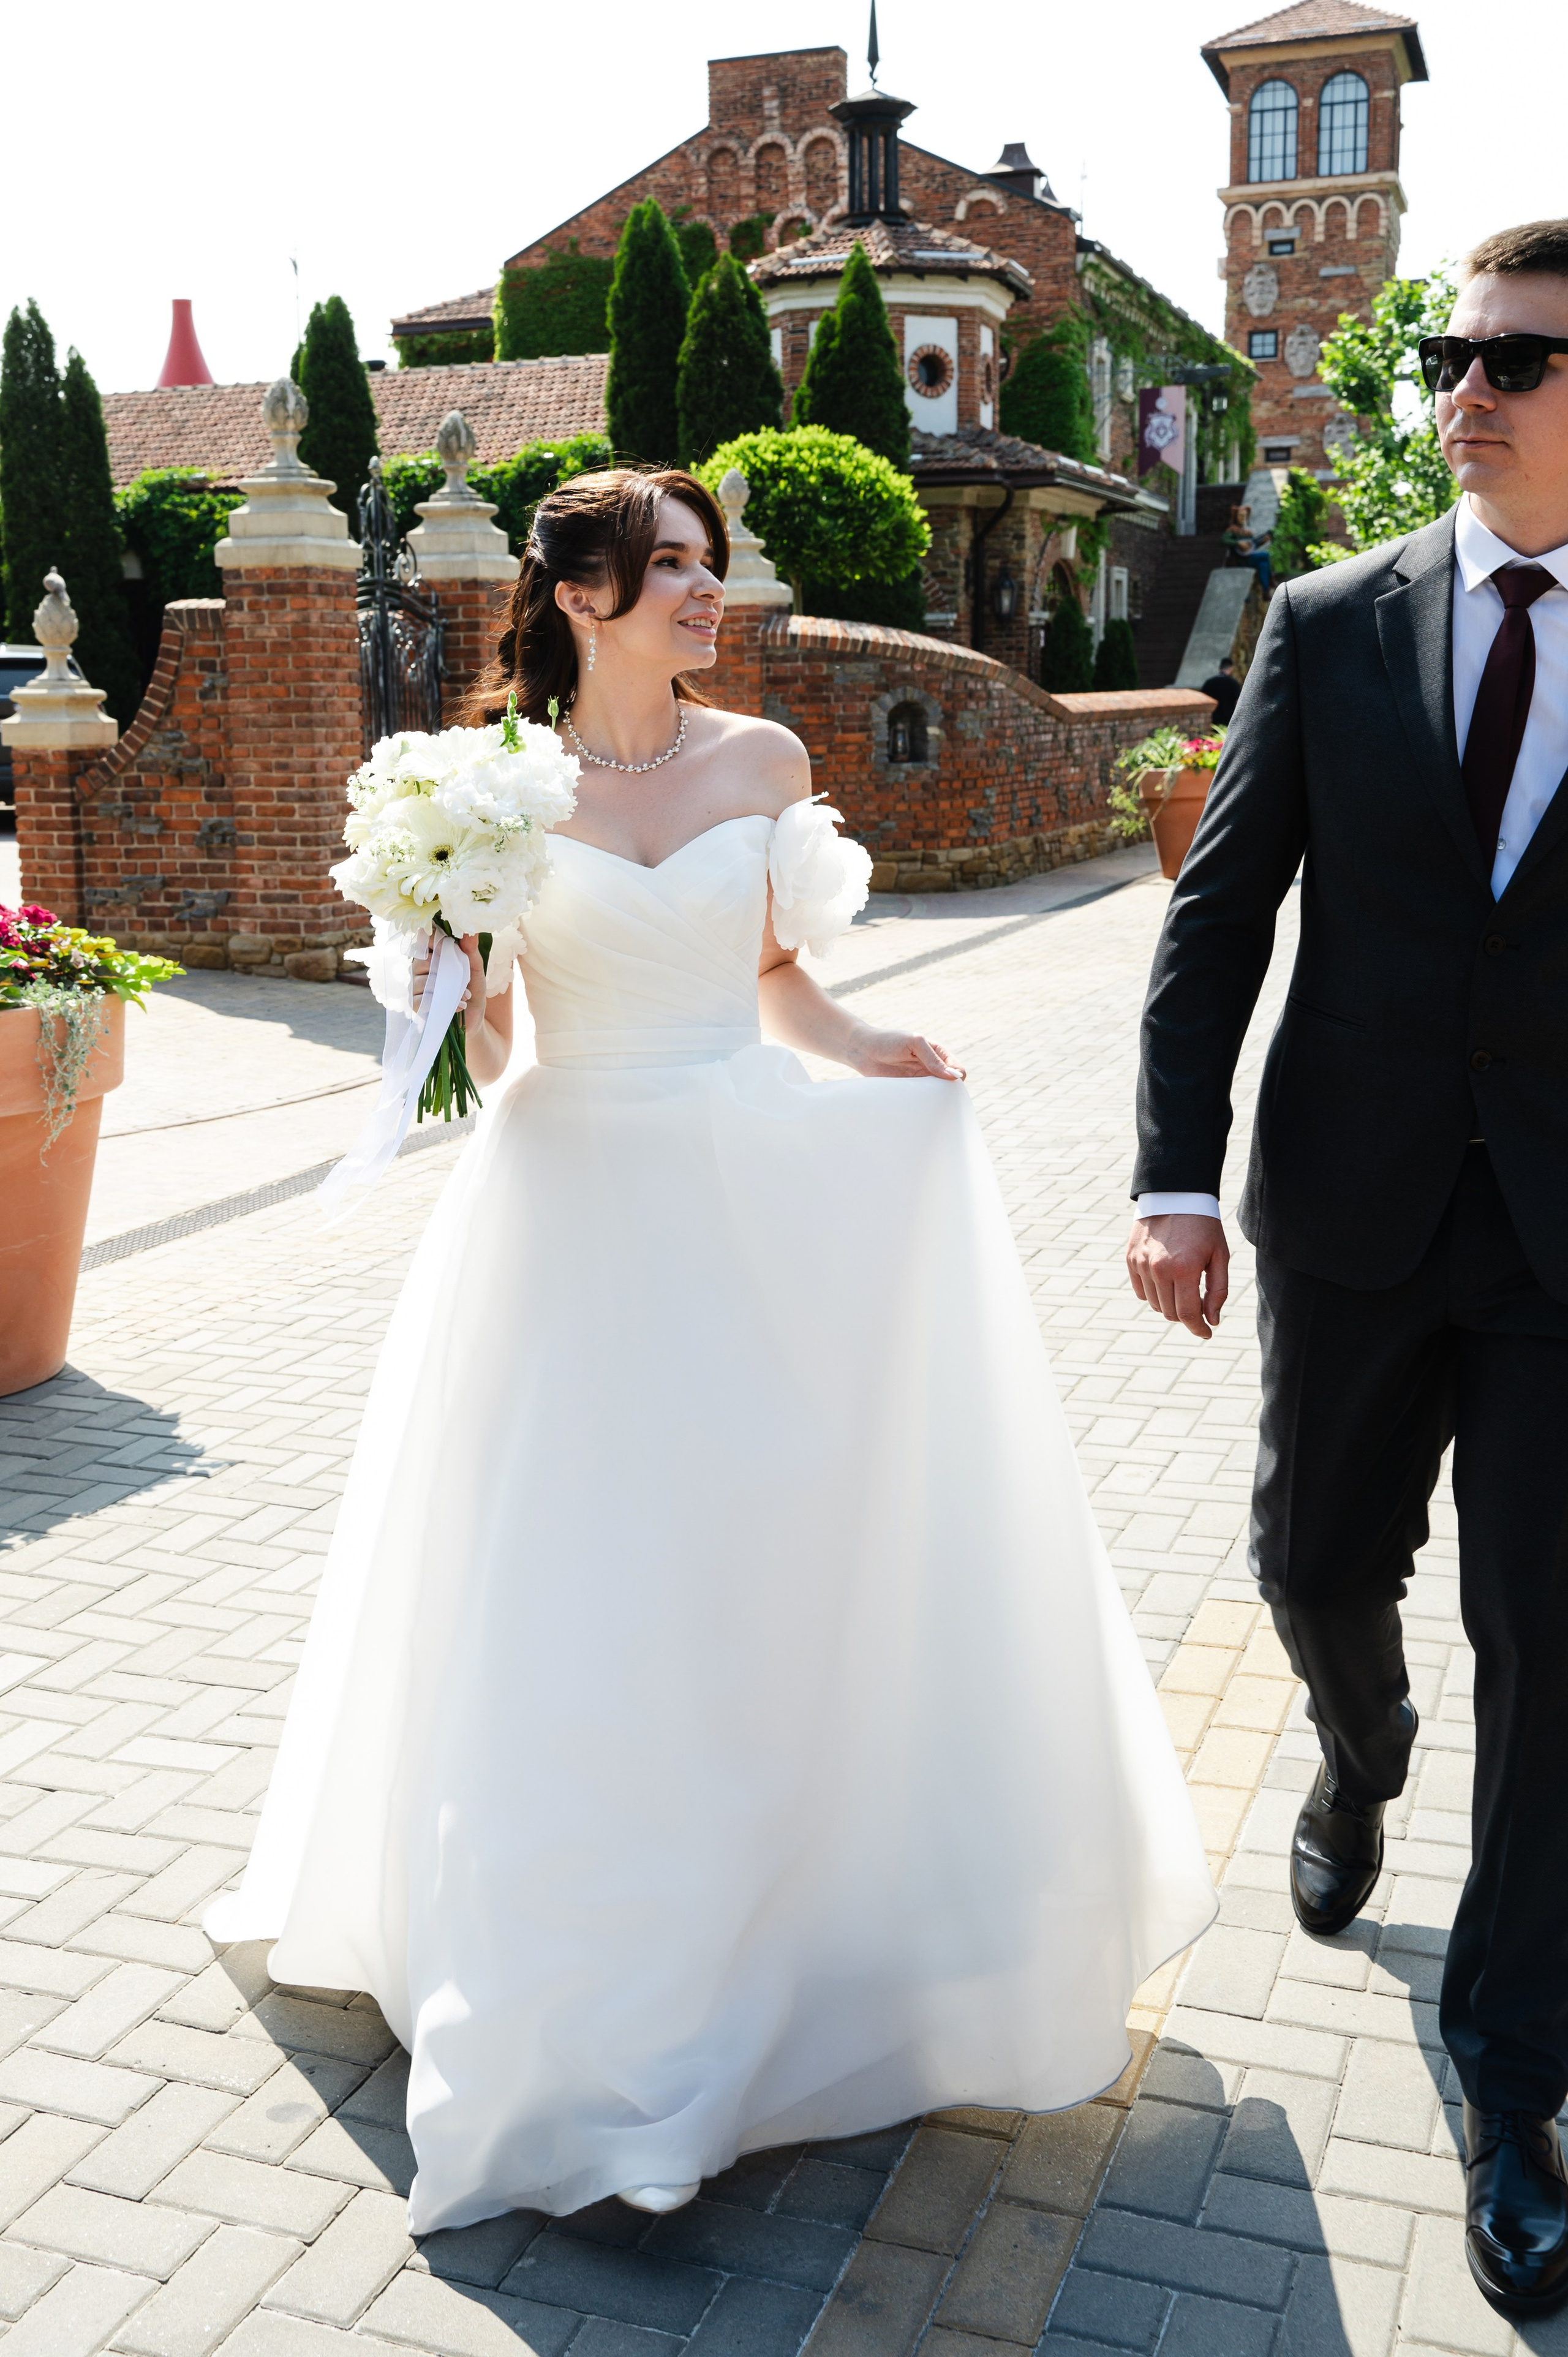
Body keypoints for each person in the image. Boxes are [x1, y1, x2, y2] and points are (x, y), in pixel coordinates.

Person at [208, 466, 1213, 2234]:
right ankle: (587, 1975)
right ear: (579, 595)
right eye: (668, 569)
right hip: (573, 1212)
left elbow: (774, 989)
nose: (704, 595)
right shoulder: (484, 784)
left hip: (750, 1197)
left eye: (708, 566)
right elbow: (500, 1058)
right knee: (581, 1593)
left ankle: (788, 1928)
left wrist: (875, 1045)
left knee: (761, 1577)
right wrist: (442, 949)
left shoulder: (764, 763)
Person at [1123, 219, 1568, 2317]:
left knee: (1557, 1658)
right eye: (1457, 356)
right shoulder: (1326, 617)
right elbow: (1218, 918)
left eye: (1517, 361)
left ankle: (1512, 2067)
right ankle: (1359, 1742)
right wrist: (1169, 1176)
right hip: (1358, 1207)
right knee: (1316, 1553)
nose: (1464, 389)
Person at [1199, 656, 1240, 725]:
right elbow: (1238, 701)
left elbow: (1202, 699)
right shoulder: (1233, 683)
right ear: (1231, 669)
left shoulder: (1210, 682)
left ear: (1220, 668)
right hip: (1228, 718)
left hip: (1212, 718)